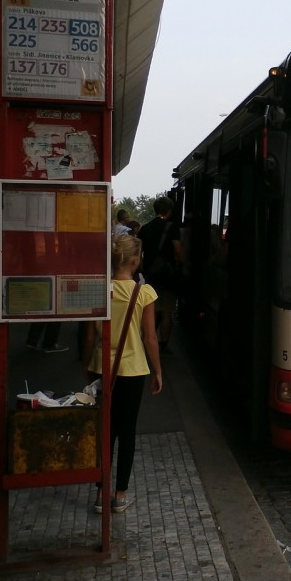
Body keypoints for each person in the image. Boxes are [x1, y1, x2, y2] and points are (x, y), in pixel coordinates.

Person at [82, 234, 163, 514]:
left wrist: (86, 364)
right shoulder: (144, 293)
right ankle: (119, 494)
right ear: (134, 261)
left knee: (104, 429)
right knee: (127, 431)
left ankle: (100, 491)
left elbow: (90, 333)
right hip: (132, 369)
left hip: (99, 366)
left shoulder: (98, 290)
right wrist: (158, 371)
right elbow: (150, 338)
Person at [137, 196, 183, 353]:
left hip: (151, 275)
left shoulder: (145, 228)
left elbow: (139, 254)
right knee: (166, 312)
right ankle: (163, 345)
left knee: (152, 309)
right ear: (169, 211)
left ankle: (148, 340)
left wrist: (144, 270)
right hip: (168, 276)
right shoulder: (173, 228)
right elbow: (177, 250)